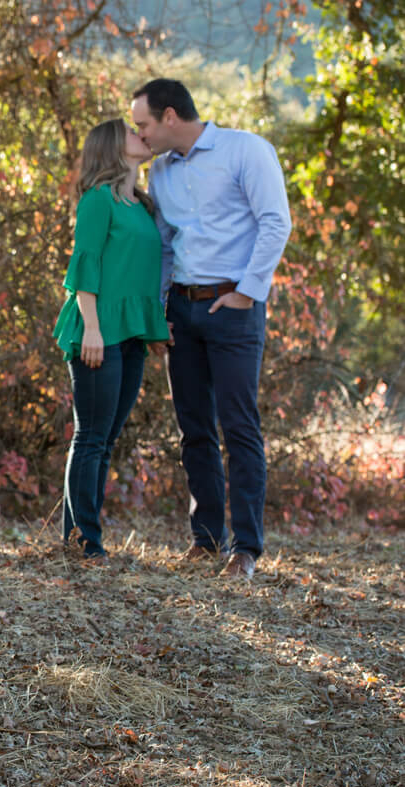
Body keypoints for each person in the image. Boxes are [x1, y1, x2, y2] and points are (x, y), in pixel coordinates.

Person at [131, 78, 292, 579]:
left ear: (171, 116)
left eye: (144, 124)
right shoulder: (161, 171)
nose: (141, 135)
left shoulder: (246, 150)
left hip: (235, 308)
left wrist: (247, 290)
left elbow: (275, 222)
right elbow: (163, 243)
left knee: (239, 427)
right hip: (182, 308)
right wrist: (159, 308)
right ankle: (205, 540)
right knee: (193, 428)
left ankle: (246, 548)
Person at [53, 119, 170, 562]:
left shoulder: (141, 206)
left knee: (106, 439)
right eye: (131, 130)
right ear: (112, 146)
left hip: (131, 336)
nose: (142, 133)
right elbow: (86, 266)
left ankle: (80, 537)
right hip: (96, 333)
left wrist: (156, 331)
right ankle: (85, 543)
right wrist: (94, 328)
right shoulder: (98, 201)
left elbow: (142, 275)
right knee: (92, 437)